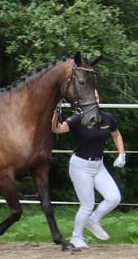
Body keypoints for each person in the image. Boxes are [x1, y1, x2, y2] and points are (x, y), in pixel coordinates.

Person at [51, 91, 126, 250]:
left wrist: (122, 154)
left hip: (98, 165)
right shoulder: (78, 119)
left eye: (97, 97)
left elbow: (116, 135)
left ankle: (93, 220)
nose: (95, 100)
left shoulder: (107, 118)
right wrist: (55, 113)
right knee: (87, 205)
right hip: (80, 166)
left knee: (114, 198)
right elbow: (57, 129)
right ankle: (76, 237)